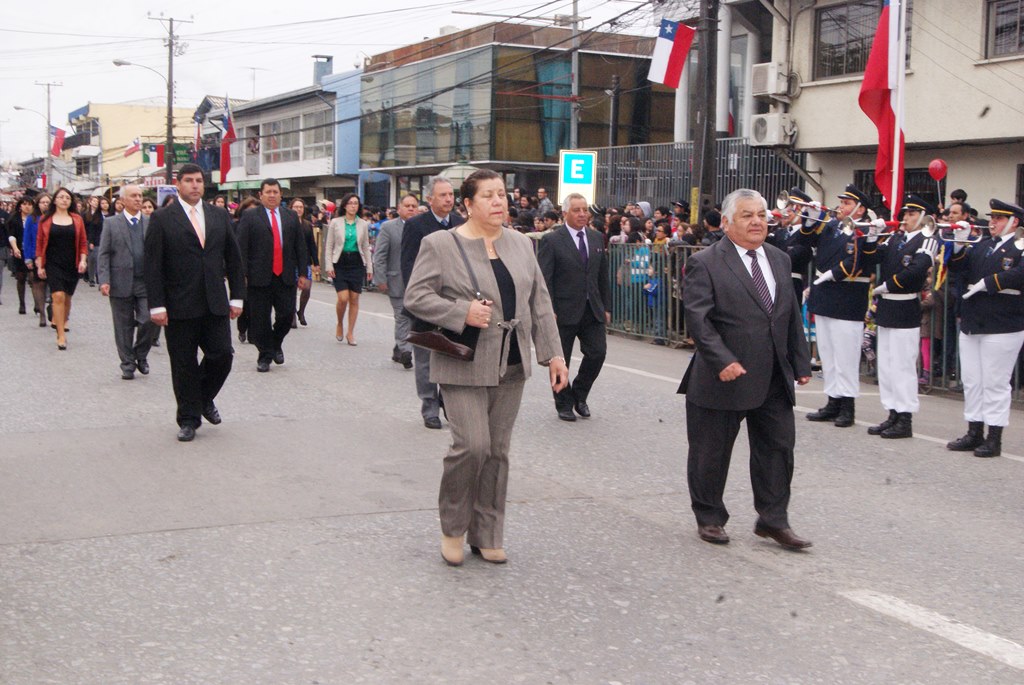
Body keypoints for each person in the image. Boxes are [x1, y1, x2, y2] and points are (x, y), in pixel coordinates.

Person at [404, 169, 568, 566]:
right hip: (464, 361)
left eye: (501, 195)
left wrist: (555, 355)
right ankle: (453, 528)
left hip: (511, 362)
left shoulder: (521, 244)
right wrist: (461, 312)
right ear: (467, 204)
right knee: (472, 446)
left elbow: (539, 302)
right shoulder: (440, 244)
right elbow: (416, 296)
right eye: (488, 196)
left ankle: (488, 533)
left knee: (496, 452)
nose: (498, 202)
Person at [679, 188, 813, 551]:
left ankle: (773, 520)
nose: (757, 222)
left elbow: (788, 315)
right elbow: (698, 319)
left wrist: (800, 361)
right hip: (723, 376)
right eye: (747, 215)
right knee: (711, 452)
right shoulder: (705, 262)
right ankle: (709, 516)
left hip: (772, 375)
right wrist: (722, 359)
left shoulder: (779, 259)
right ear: (726, 222)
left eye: (761, 215)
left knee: (778, 449)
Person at [144, 163, 245, 442]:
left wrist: (237, 296)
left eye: (199, 180)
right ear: (178, 184)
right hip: (178, 303)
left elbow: (233, 259)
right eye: (189, 180)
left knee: (222, 355)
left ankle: (202, 398)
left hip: (215, 301)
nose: (195, 185)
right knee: (183, 363)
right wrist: (157, 305)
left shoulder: (218, 215)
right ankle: (188, 418)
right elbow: (153, 265)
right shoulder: (162, 218)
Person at [944, 199, 1024, 457]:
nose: (992, 222)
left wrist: (990, 282)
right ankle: (974, 431)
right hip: (973, 322)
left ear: (1014, 222)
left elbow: (1020, 274)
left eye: (999, 218)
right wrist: (959, 245)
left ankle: (994, 437)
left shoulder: (1020, 246)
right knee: (972, 381)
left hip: (1002, 324)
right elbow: (959, 269)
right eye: (992, 218)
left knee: (995, 383)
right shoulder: (982, 245)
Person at [863, 195, 941, 439]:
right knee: (886, 366)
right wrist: (872, 237)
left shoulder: (927, 240)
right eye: (905, 213)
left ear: (923, 217)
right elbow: (871, 257)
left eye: (911, 213)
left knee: (903, 366)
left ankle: (905, 417)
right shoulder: (895, 238)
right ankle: (892, 412)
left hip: (905, 307)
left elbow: (917, 270)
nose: (905, 217)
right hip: (887, 308)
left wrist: (886, 286)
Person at [802, 184, 874, 428]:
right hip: (825, 297)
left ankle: (847, 405)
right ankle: (833, 400)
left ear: (860, 209)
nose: (841, 207)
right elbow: (806, 240)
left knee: (846, 357)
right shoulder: (832, 226)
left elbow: (858, 261)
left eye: (847, 203)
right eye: (841, 202)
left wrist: (832, 274)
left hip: (847, 298)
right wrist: (811, 219)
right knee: (829, 354)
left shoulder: (865, 229)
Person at [537, 192, 610, 421]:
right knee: (561, 359)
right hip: (563, 310)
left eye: (585, 210)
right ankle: (563, 403)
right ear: (565, 213)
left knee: (597, 353)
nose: (582, 214)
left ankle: (579, 394)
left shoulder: (596, 238)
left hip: (592, 308)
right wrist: (548, 309)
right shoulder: (552, 240)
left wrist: (606, 306)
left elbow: (602, 275)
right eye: (576, 210)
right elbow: (545, 279)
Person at [400, 176, 464, 429]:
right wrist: (415, 298)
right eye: (443, 195)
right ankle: (429, 406)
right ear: (430, 199)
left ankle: (448, 401)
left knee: (451, 355)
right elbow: (408, 264)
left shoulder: (460, 223)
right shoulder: (416, 225)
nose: (449, 199)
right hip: (426, 301)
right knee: (425, 357)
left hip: (454, 302)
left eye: (451, 194)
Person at [236, 179, 309, 372]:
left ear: (280, 194)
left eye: (275, 192)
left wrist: (303, 272)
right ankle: (265, 355)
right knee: (260, 320)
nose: (272, 195)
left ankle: (276, 343)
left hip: (285, 276)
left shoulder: (290, 216)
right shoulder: (250, 216)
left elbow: (300, 246)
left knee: (286, 315)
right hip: (259, 277)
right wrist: (242, 274)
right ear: (260, 195)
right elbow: (241, 247)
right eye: (268, 192)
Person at [97, 184, 156, 379]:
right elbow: (104, 253)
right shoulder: (111, 223)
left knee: (149, 319)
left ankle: (141, 354)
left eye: (140, 195)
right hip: (119, 281)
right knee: (123, 326)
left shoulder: (150, 222)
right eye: (133, 196)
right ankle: (127, 364)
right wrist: (104, 280)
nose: (138, 199)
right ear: (122, 200)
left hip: (145, 282)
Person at [34, 188, 88, 350]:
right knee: (58, 296)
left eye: (67, 198)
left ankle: (63, 321)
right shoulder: (45, 220)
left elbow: (83, 242)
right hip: (53, 263)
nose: (64, 200)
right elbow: (40, 244)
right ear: (55, 200)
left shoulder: (77, 219)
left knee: (67, 298)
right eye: (61, 197)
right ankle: (61, 335)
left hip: (72, 263)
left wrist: (83, 260)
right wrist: (40, 265)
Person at [373, 193, 419, 369]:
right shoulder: (388, 228)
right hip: (396, 280)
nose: (411, 209)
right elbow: (380, 255)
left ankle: (398, 347)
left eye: (414, 206)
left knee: (414, 318)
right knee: (402, 316)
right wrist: (380, 278)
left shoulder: (422, 227)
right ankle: (406, 351)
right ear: (399, 209)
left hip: (418, 282)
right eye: (407, 206)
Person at [324, 193, 372, 346]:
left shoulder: (363, 224)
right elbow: (329, 246)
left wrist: (369, 267)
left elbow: (365, 246)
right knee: (343, 298)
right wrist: (329, 265)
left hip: (357, 262)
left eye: (356, 203)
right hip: (340, 262)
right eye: (350, 203)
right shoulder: (336, 222)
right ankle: (339, 323)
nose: (353, 206)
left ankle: (350, 332)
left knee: (354, 298)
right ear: (344, 205)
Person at [767, 188, 816, 307]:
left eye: (792, 209)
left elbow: (791, 257)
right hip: (772, 282)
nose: (786, 213)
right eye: (786, 208)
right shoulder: (780, 233)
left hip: (792, 284)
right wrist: (765, 223)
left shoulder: (807, 236)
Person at [21, 193, 52, 327]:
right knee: (39, 284)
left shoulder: (55, 217)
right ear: (38, 204)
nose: (45, 204)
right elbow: (27, 239)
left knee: (54, 284)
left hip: (52, 255)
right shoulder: (32, 219)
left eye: (47, 202)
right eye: (42, 202)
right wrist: (28, 258)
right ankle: (42, 314)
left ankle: (52, 305)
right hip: (36, 255)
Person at [289, 197, 319, 327]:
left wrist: (316, 262)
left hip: (304, 261)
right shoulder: (287, 223)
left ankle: (301, 311)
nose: (298, 209)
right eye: (296, 207)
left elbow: (312, 244)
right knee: (291, 290)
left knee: (306, 287)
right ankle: (292, 316)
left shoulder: (307, 225)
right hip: (290, 261)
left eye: (300, 207)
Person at [5, 196, 35, 315]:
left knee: (33, 277)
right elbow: (11, 235)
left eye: (29, 204)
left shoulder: (35, 219)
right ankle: (22, 303)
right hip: (19, 251)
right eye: (24, 204)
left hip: (32, 252)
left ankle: (37, 303)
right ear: (20, 206)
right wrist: (15, 248)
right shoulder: (14, 219)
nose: (27, 207)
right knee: (21, 277)